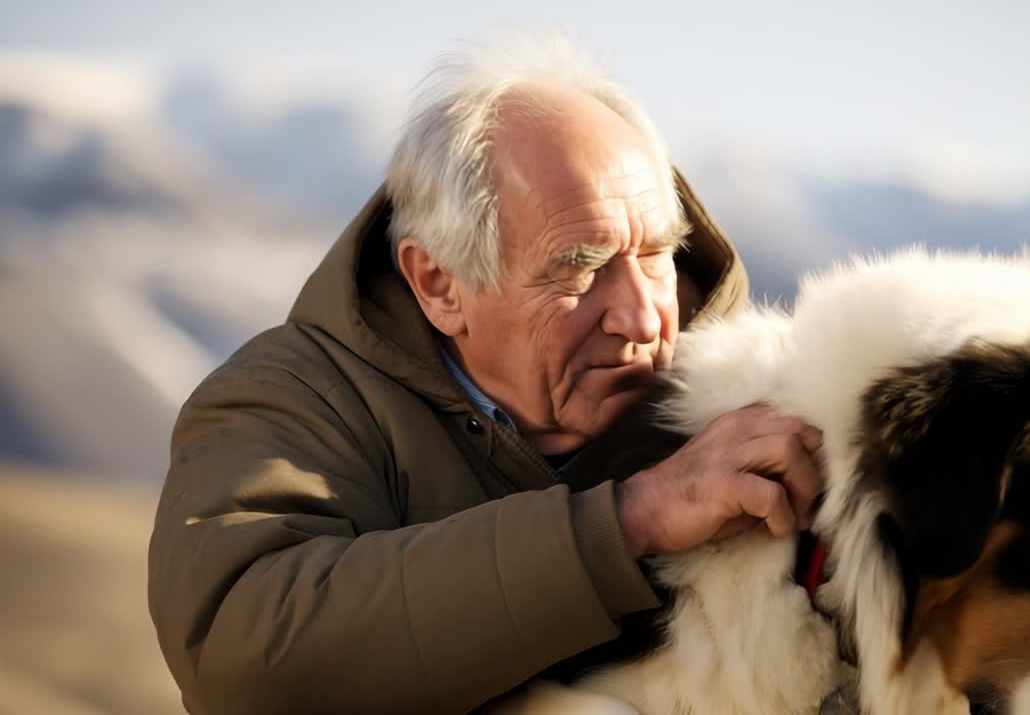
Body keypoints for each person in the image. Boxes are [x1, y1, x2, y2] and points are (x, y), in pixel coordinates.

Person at [148, 37, 823, 714]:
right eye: (580, 267)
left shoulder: (772, 406)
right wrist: (628, 521)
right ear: (440, 283)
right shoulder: (293, 401)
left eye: (655, 256)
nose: (644, 318)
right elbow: (250, 663)